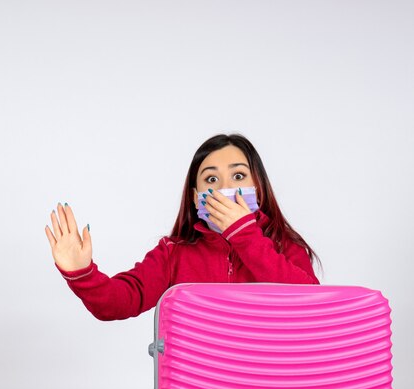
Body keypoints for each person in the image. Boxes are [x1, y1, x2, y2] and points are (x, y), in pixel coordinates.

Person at [44, 133, 321, 321]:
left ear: (258, 188)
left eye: (238, 176)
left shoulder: (285, 246)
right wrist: (81, 273)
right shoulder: (173, 253)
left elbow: (312, 306)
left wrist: (245, 235)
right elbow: (121, 301)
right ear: (194, 196)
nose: (224, 189)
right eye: (211, 180)